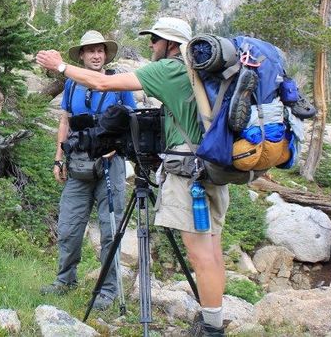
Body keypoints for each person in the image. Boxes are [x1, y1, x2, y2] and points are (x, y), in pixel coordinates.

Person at [36, 17, 228, 337]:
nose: (151, 45)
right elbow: (68, 118)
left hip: (187, 172)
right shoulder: (201, 71)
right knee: (212, 251)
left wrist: (59, 66)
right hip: (213, 167)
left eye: (155, 40)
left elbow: (103, 85)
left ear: (170, 44)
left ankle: (211, 329)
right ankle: (213, 320)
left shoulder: (170, 69)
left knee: (200, 253)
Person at [40, 30, 136, 311]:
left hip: (111, 165)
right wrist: (59, 158)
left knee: (110, 230)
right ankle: (64, 280)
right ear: (81, 55)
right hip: (79, 164)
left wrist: (117, 147)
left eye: (100, 51)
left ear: (105, 55)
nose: (96, 55)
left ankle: (107, 291)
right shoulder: (72, 85)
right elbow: (65, 122)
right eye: (90, 51)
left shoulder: (118, 84)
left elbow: (132, 121)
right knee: (69, 227)